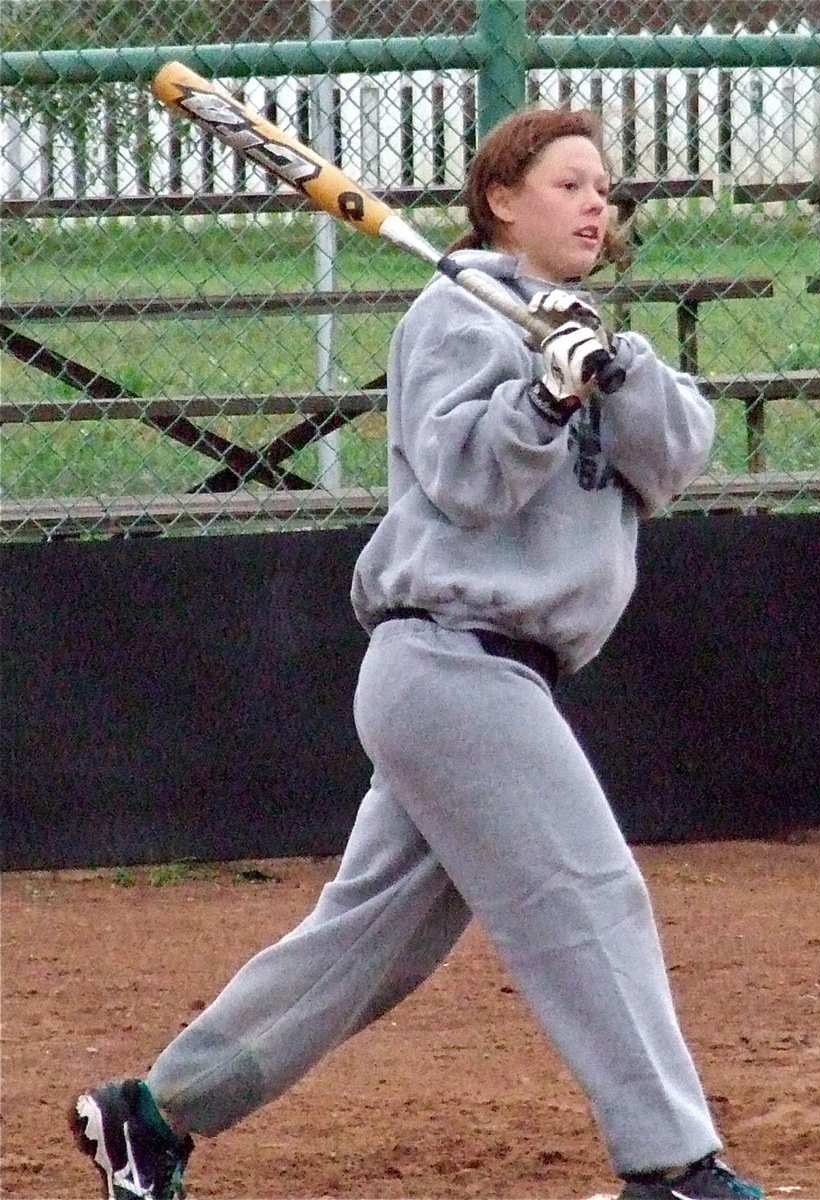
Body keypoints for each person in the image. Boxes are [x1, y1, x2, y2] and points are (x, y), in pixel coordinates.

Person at [69, 105, 763, 1200]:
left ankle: (152, 1115)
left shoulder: (575, 323)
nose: (597, 203)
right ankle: (671, 1166)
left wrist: (607, 364)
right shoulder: (455, 317)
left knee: (368, 946)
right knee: (588, 892)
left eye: (603, 188)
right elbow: (465, 479)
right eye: (570, 183)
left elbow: (675, 459)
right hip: (450, 662)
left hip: (492, 678)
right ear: (501, 200)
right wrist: (539, 392)